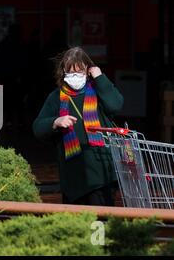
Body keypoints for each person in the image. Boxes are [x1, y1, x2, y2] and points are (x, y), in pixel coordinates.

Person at [32, 47, 124, 206]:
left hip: (102, 171)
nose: (75, 77)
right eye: (71, 72)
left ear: (88, 71)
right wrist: (55, 122)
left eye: (79, 72)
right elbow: (38, 128)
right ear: (63, 73)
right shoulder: (56, 97)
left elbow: (115, 105)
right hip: (73, 177)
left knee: (99, 224)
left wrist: (100, 77)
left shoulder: (98, 91)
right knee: (76, 223)